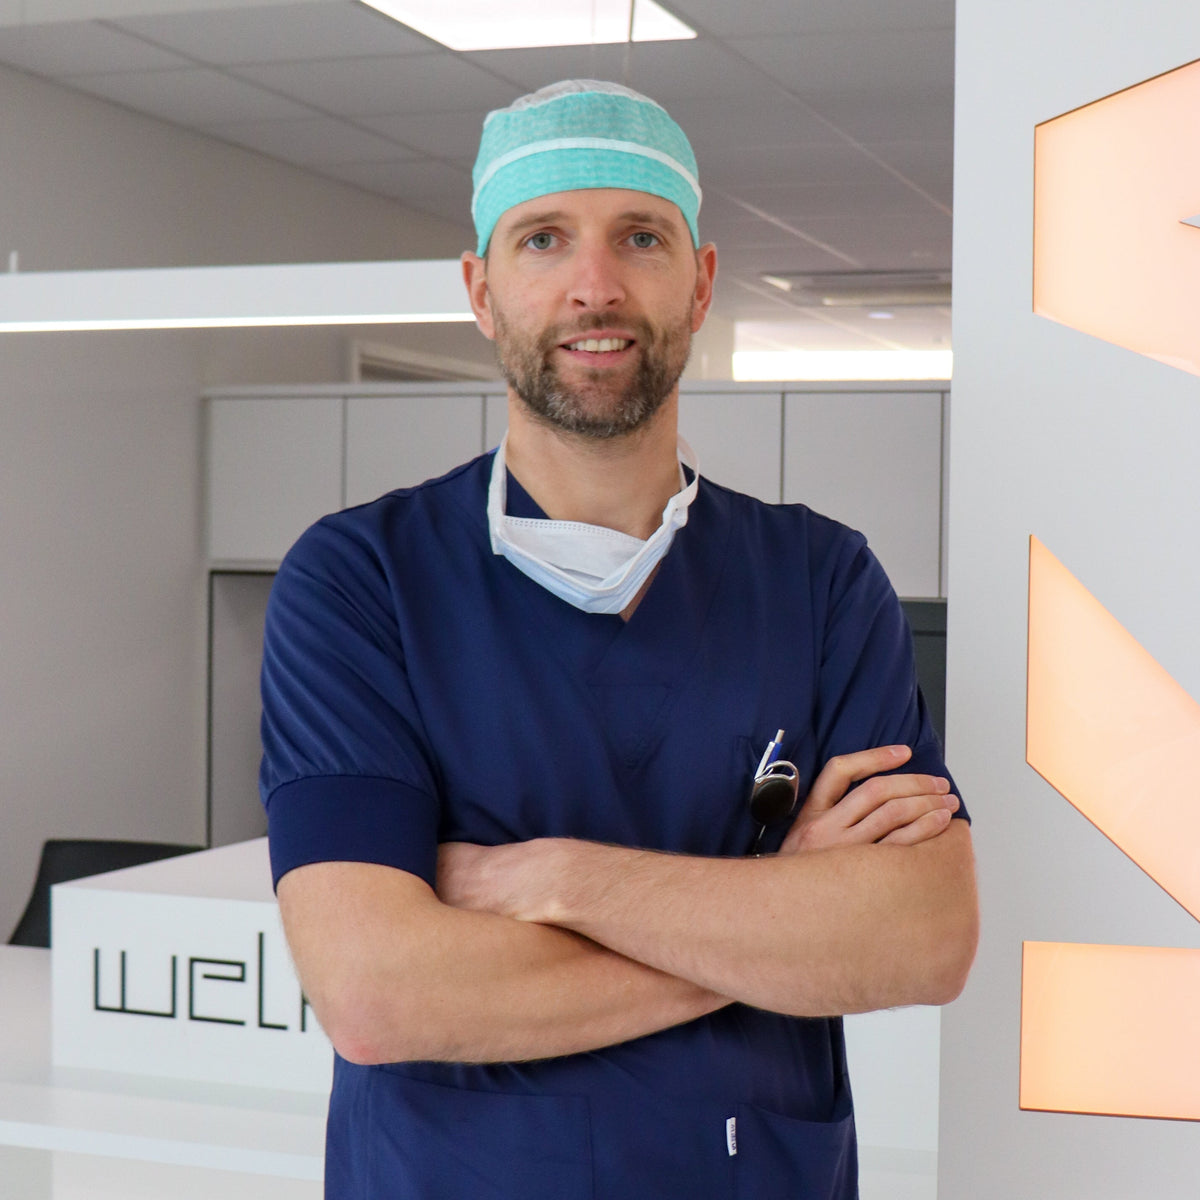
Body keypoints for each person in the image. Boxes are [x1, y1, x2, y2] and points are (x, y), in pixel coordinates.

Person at [260, 79, 978, 1199]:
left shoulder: (823, 579)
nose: (594, 286)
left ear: (698, 282)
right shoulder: (361, 581)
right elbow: (376, 993)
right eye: (542, 239)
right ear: (482, 290)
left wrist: (556, 878)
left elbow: (924, 940)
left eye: (640, 237)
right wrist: (773, 918)